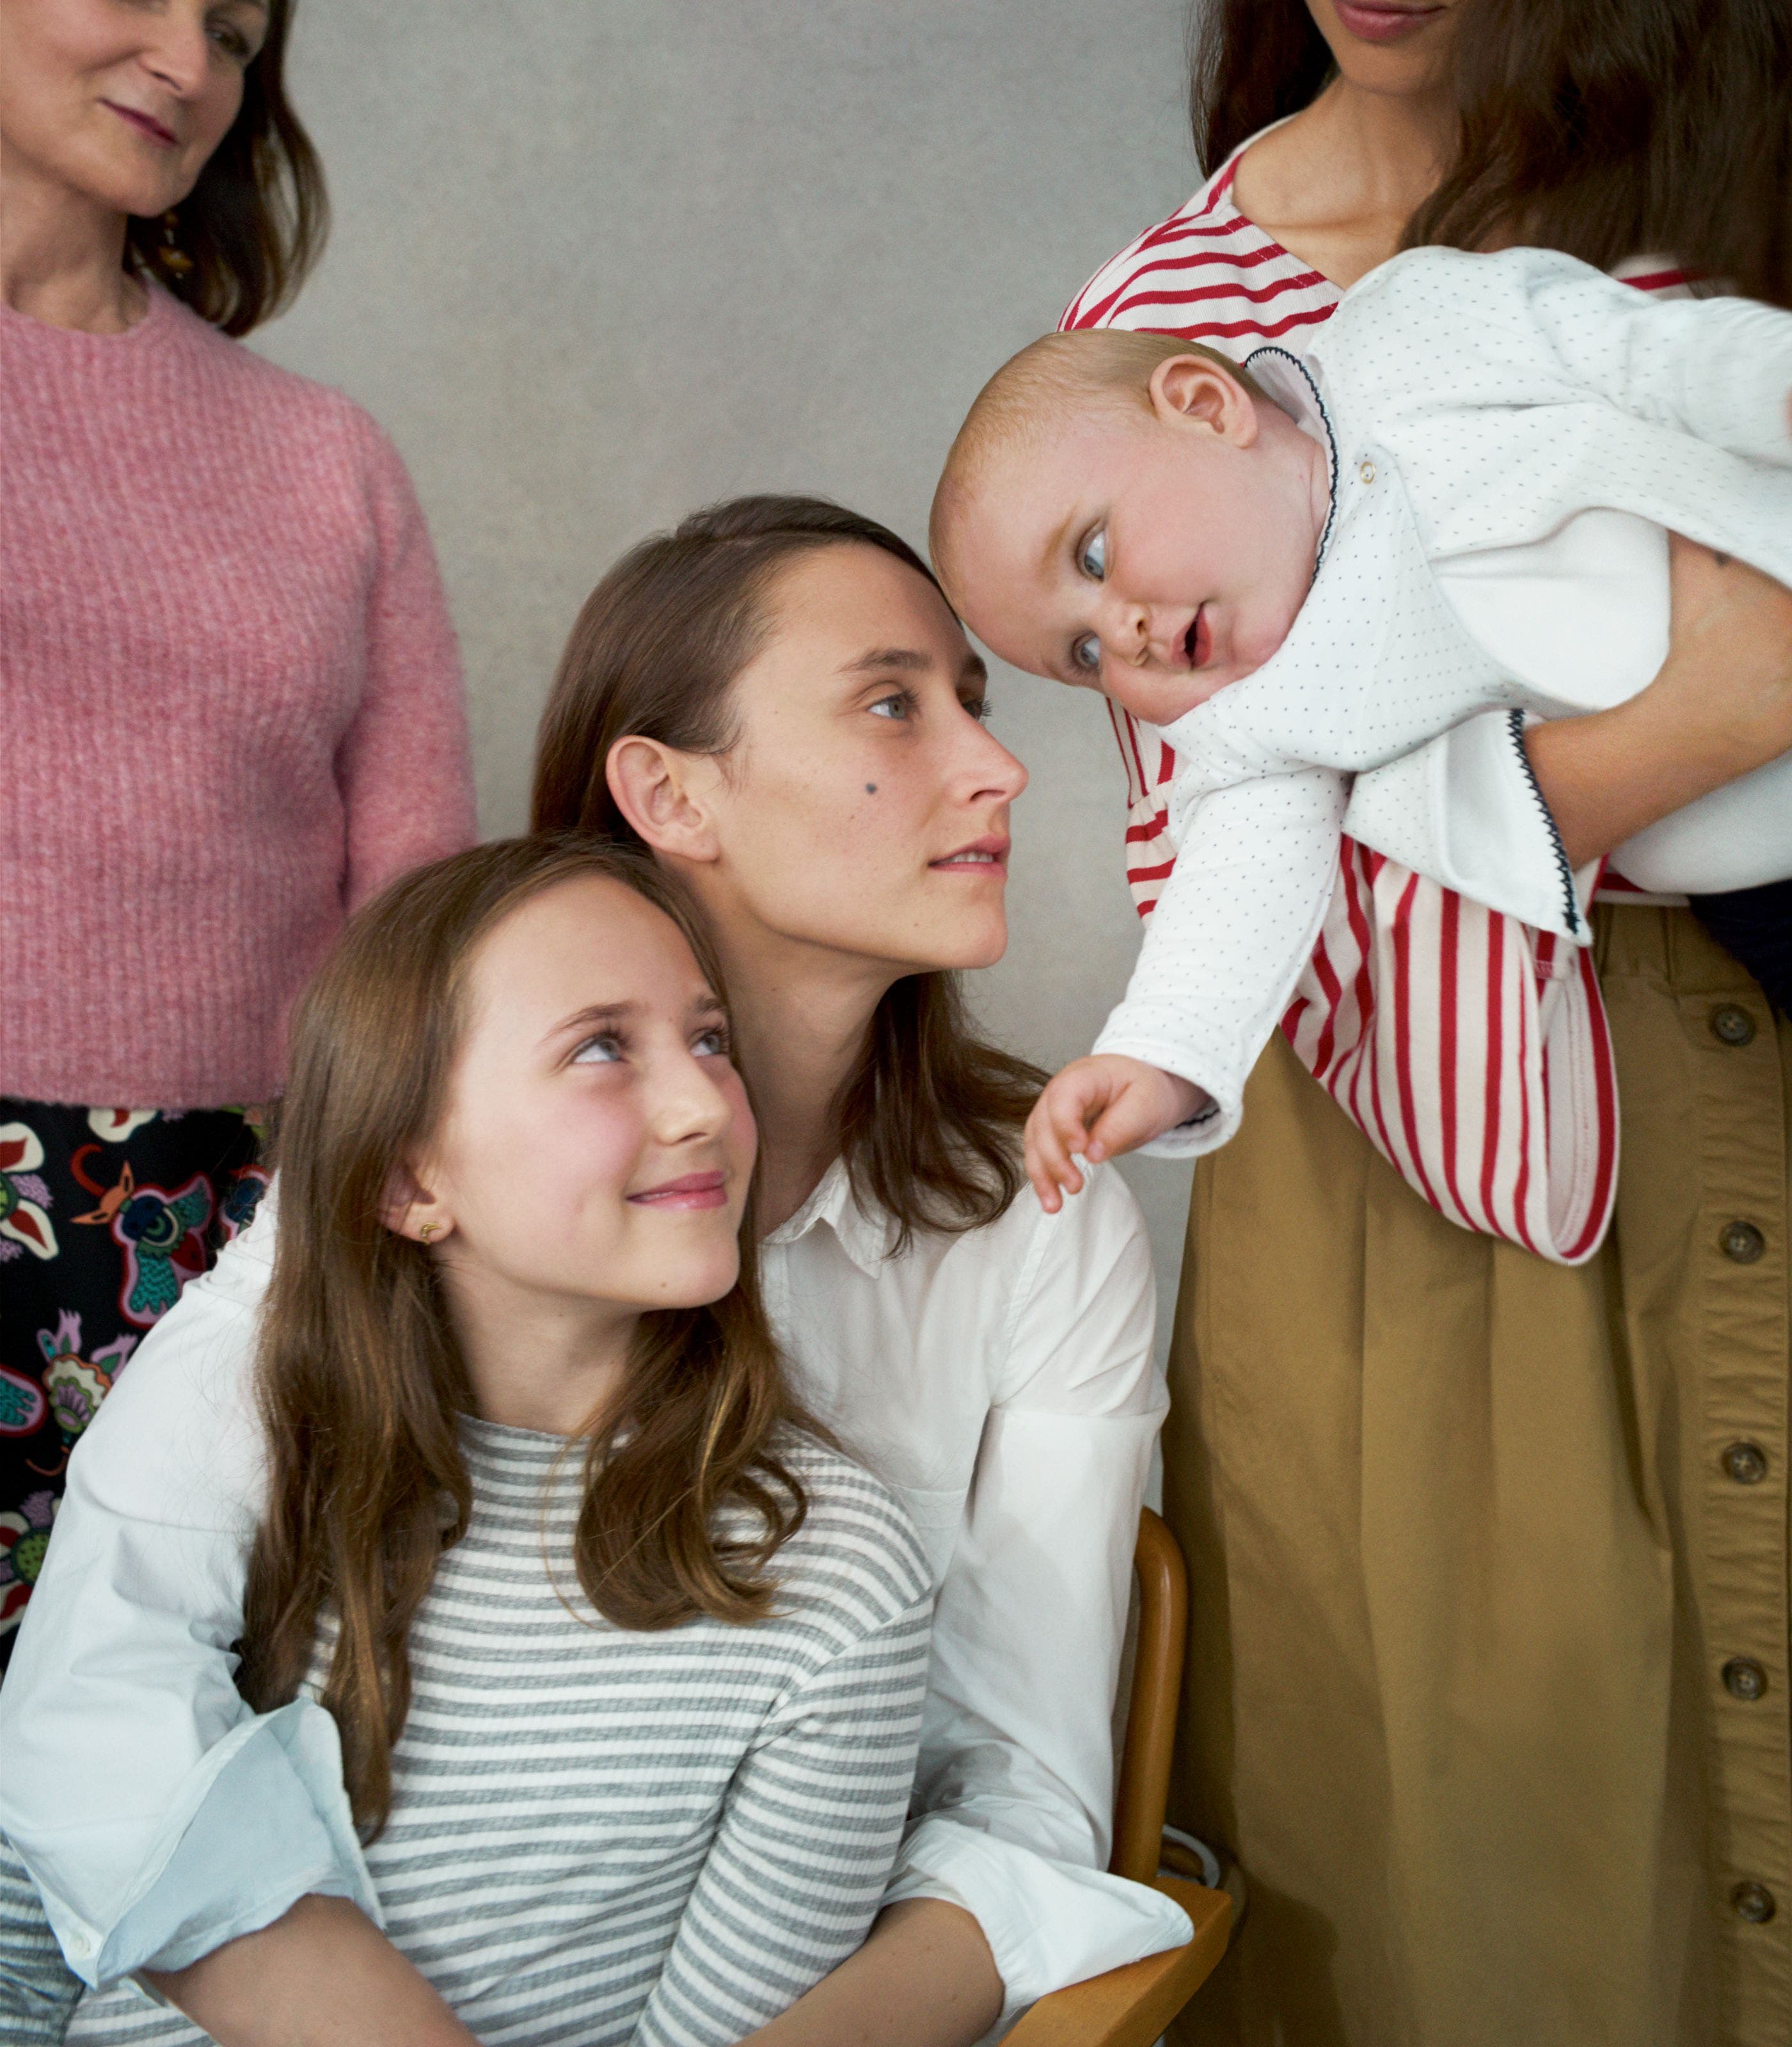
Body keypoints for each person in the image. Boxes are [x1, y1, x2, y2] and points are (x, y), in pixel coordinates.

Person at [0, 498, 1190, 2046]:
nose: (997, 764)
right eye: (895, 701)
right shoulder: (421, 1143)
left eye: (976, 696)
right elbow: (108, 1667)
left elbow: (1022, 1793)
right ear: (666, 792)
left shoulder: (1044, 1217)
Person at [1058, 0, 1792, 2039]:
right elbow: (1225, 872)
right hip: (1428, 1153)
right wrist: (1700, 726)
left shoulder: (1699, 203)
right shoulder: (1158, 322)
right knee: (1509, 1858)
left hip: (1742, 1060)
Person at [6, 835, 935, 2046]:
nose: (705, 1101)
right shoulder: (264, 1463)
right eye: (601, 1047)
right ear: (407, 1180)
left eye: (709, 1038)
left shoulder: (828, 1580)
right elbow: (37, 1928)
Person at [931, 257, 1792, 1187]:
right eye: (1082, 657)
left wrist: (1764, 382)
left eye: (1093, 556)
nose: (1120, 632)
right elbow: (1234, 894)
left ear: (1204, 406)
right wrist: (1158, 1058)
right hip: (1761, 874)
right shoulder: (1258, 720)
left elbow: (1629, 350)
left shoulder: (1404, 340)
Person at [0, 0, 476, 1655]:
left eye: (234, 28)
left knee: (175, 1793)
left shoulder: (319, 460)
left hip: (230, 1242)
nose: (192, 64)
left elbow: (418, 920)